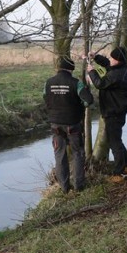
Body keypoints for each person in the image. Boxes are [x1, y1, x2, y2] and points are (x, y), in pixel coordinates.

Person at [44, 56, 94, 193]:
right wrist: (80, 104)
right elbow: (88, 100)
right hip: (73, 124)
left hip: (55, 126)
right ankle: (79, 186)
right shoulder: (76, 83)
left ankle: (64, 188)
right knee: (78, 153)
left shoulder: (48, 83)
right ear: (71, 69)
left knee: (60, 156)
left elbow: (45, 98)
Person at [87, 46, 127, 183]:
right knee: (116, 139)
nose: (110, 60)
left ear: (118, 60)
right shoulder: (122, 68)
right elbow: (108, 64)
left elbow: (100, 83)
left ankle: (118, 173)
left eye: (112, 58)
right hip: (118, 109)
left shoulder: (116, 75)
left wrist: (91, 72)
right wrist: (95, 57)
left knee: (114, 142)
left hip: (114, 111)